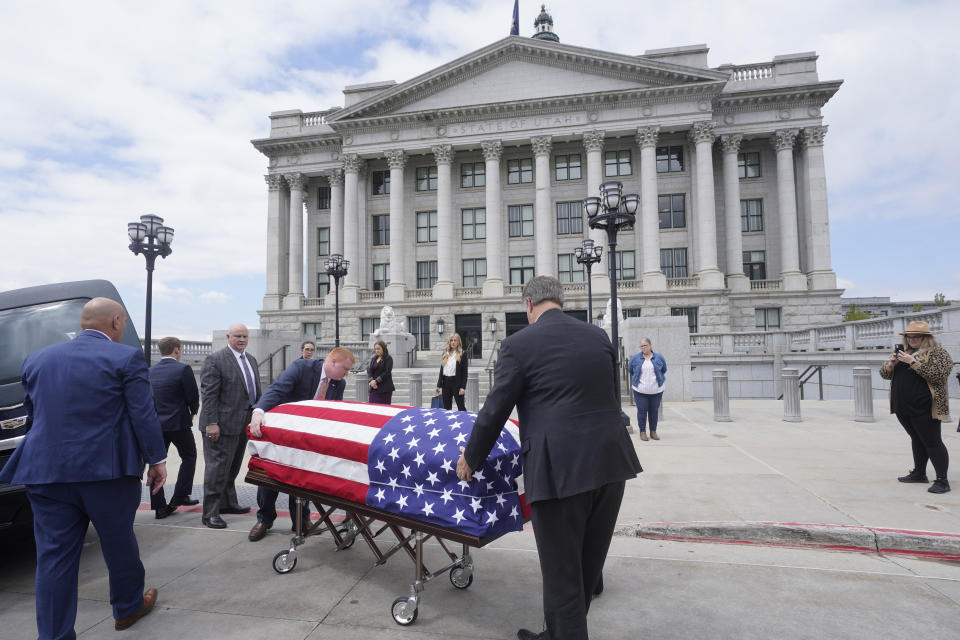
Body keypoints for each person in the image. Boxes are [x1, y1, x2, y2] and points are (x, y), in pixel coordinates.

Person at [456, 276, 642, 640]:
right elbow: (610, 398)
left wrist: (471, 457)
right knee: (587, 567)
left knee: (562, 575)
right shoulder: (598, 337)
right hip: (611, 464)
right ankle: (556, 633)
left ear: (528, 305)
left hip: (560, 473)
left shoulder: (518, 345)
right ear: (560, 301)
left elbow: (495, 410)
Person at [0, 297, 167, 637]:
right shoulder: (126, 357)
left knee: (53, 558)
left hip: (46, 472)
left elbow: (33, 417)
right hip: (106, 472)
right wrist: (156, 459)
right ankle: (127, 607)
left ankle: (54, 634)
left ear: (83, 323)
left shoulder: (37, 360)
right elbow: (142, 413)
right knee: (118, 544)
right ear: (117, 321)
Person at [247, 346, 356, 541]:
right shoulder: (302, 368)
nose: (347, 373)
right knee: (270, 476)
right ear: (332, 362)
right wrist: (258, 412)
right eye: (345, 369)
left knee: (303, 479)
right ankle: (265, 519)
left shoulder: (338, 384)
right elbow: (277, 389)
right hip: (281, 433)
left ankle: (301, 520)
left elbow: (333, 412)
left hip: (307, 439)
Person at [198, 323, 261, 529]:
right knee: (217, 469)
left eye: (245, 336)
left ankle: (228, 504)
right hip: (220, 425)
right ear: (228, 337)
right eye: (237, 336)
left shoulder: (250, 360)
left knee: (232, 468)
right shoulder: (216, 360)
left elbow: (254, 393)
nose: (241, 339)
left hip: (242, 423)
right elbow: (209, 395)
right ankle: (210, 513)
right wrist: (211, 423)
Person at [879, 320, 953, 493]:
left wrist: (913, 362)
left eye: (916, 337)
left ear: (926, 337)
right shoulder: (904, 352)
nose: (911, 340)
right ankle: (919, 473)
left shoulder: (938, 353)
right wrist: (892, 363)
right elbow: (884, 375)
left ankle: (942, 480)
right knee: (917, 439)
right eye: (908, 336)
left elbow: (939, 376)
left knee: (932, 442)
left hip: (926, 406)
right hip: (903, 406)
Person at [148, 336, 201, 518]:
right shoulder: (183, 369)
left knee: (156, 462)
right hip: (179, 423)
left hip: (156, 425)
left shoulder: (150, 371)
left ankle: (159, 507)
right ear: (177, 350)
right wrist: (193, 411)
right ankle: (180, 495)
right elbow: (192, 395)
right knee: (189, 456)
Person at [627, 337, 667, 442]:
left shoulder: (659, 357)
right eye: (641, 346)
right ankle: (643, 432)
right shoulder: (635, 358)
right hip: (640, 390)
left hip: (656, 390)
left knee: (654, 411)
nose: (643, 348)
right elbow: (630, 370)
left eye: (645, 345)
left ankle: (653, 431)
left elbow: (664, 369)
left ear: (650, 345)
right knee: (642, 411)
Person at [436, 332, 468, 411]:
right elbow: (442, 370)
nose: (453, 342)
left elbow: (465, 373)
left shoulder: (462, 354)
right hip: (446, 383)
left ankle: (464, 422)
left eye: (455, 340)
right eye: (451, 340)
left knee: (461, 407)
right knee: (446, 408)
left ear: (458, 342)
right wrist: (438, 385)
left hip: (456, 383)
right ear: (449, 342)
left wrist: (463, 387)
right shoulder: (445, 353)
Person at [367, 340, 395, 404]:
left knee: (384, 409)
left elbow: (387, 372)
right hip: (373, 388)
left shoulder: (388, 358)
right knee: (373, 408)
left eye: (378, 349)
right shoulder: (374, 358)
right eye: (375, 349)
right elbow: (369, 370)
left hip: (384, 388)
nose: (377, 350)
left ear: (383, 348)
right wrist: (371, 381)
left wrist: (376, 381)